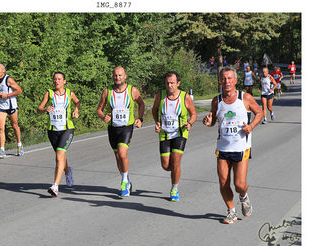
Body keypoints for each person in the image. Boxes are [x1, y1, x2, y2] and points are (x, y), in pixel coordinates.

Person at [202, 66, 263, 224]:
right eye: (224, 78)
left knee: (239, 184)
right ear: (220, 80)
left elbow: (260, 113)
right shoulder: (217, 100)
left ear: (235, 80)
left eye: (230, 78)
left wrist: (251, 126)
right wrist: (208, 122)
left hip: (241, 147)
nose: (227, 81)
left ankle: (244, 197)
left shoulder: (245, 98)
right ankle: (231, 212)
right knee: (223, 182)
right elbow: (213, 120)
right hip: (223, 147)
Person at [96, 66, 145, 198]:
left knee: (122, 154)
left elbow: (141, 104)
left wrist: (140, 118)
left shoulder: (132, 90)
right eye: (115, 75)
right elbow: (99, 109)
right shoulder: (107, 91)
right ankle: (127, 179)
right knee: (118, 157)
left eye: (120, 75)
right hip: (113, 128)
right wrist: (103, 117)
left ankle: (124, 182)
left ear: (125, 76)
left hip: (126, 127)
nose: (117, 78)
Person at [152, 72, 197, 202]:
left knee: (176, 162)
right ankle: (175, 171)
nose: (169, 85)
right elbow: (155, 110)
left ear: (178, 83)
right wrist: (157, 122)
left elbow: (193, 114)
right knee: (166, 165)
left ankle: (174, 189)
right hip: (165, 133)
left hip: (180, 133)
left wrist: (190, 123)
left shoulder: (185, 97)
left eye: (172, 83)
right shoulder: (160, 95)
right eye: (167, 83)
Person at [37, 72, 80, 197]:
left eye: (59, 79)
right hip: (53, 130)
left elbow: (77, 102)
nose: (56, 81)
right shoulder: (49, 93)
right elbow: (38, 109)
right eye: (55, 79)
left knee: (59, 155)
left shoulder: (69, 93)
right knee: (60, 155)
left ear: (64, 81)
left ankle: (55, 186)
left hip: (67, 129)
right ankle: (68, 171)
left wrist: (76, 110)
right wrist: (45, 109)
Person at [0, 64, 24, 158]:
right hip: (2, 106)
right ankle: (2, 150)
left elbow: (19, 90)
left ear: (3, 70)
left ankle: (19, 145)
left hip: (11, 106)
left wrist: (7, 96)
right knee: (1, 127)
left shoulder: (8, 79)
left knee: (15, 126)